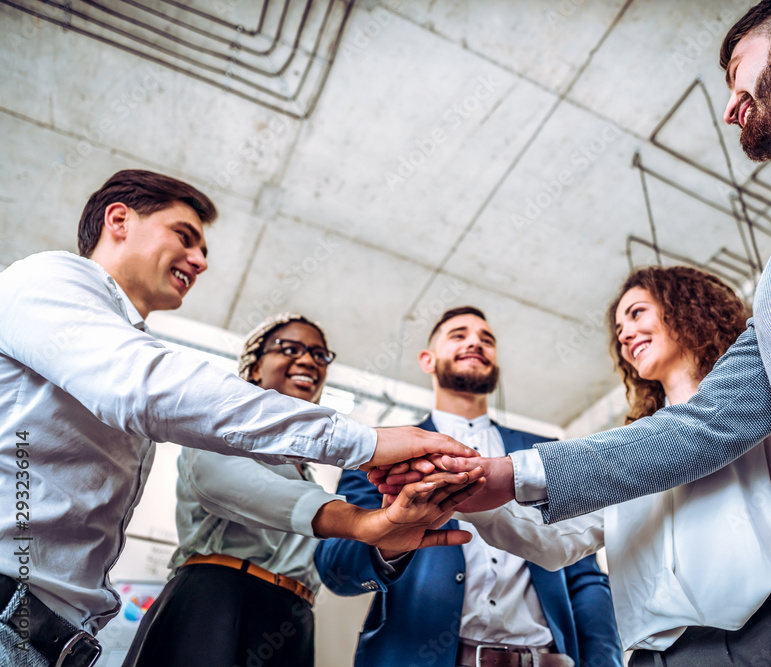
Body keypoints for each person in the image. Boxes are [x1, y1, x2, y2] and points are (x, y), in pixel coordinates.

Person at [381, 3, 771, 665]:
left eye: (737, 72)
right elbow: (686, 436)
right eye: (619, 326)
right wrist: (483, 484)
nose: (732, 105)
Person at [0, 170, 478, 667]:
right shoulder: (50, 279)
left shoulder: (297, 461)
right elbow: (161, 405)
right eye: (185, 237)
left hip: (60, 633)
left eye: (319, 356)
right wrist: (365, 454)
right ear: (118, 219)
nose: (201, 261)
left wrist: (381, 526)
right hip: (203, 605)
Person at [461, 267, 771, 666]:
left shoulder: (757, 404)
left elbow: (695, 433)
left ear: (685, 308)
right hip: (652, 656)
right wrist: (464, 493)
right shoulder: (623, 454)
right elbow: (555, 539)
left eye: (637, 313)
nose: (626, 334)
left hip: (759, 638)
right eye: (619, 329)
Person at [122, 313, 477, 667]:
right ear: (256, 366)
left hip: (294, 615)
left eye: (319, 355)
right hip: (218, 601)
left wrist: (393, 524)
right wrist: (359, 520)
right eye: (290, 348)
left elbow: (336, 559)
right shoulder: (218, 426)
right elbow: (233, 485)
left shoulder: (306, 473)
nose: (308, 360)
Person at [316, 307, 622, 667]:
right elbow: (336, 568)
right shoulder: (383, 452)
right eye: (459, 335)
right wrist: (388, 543)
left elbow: (585, 577)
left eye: (486, 339)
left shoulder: (545, 451)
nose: (475, 342)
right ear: (427, 360)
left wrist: (605, 661)